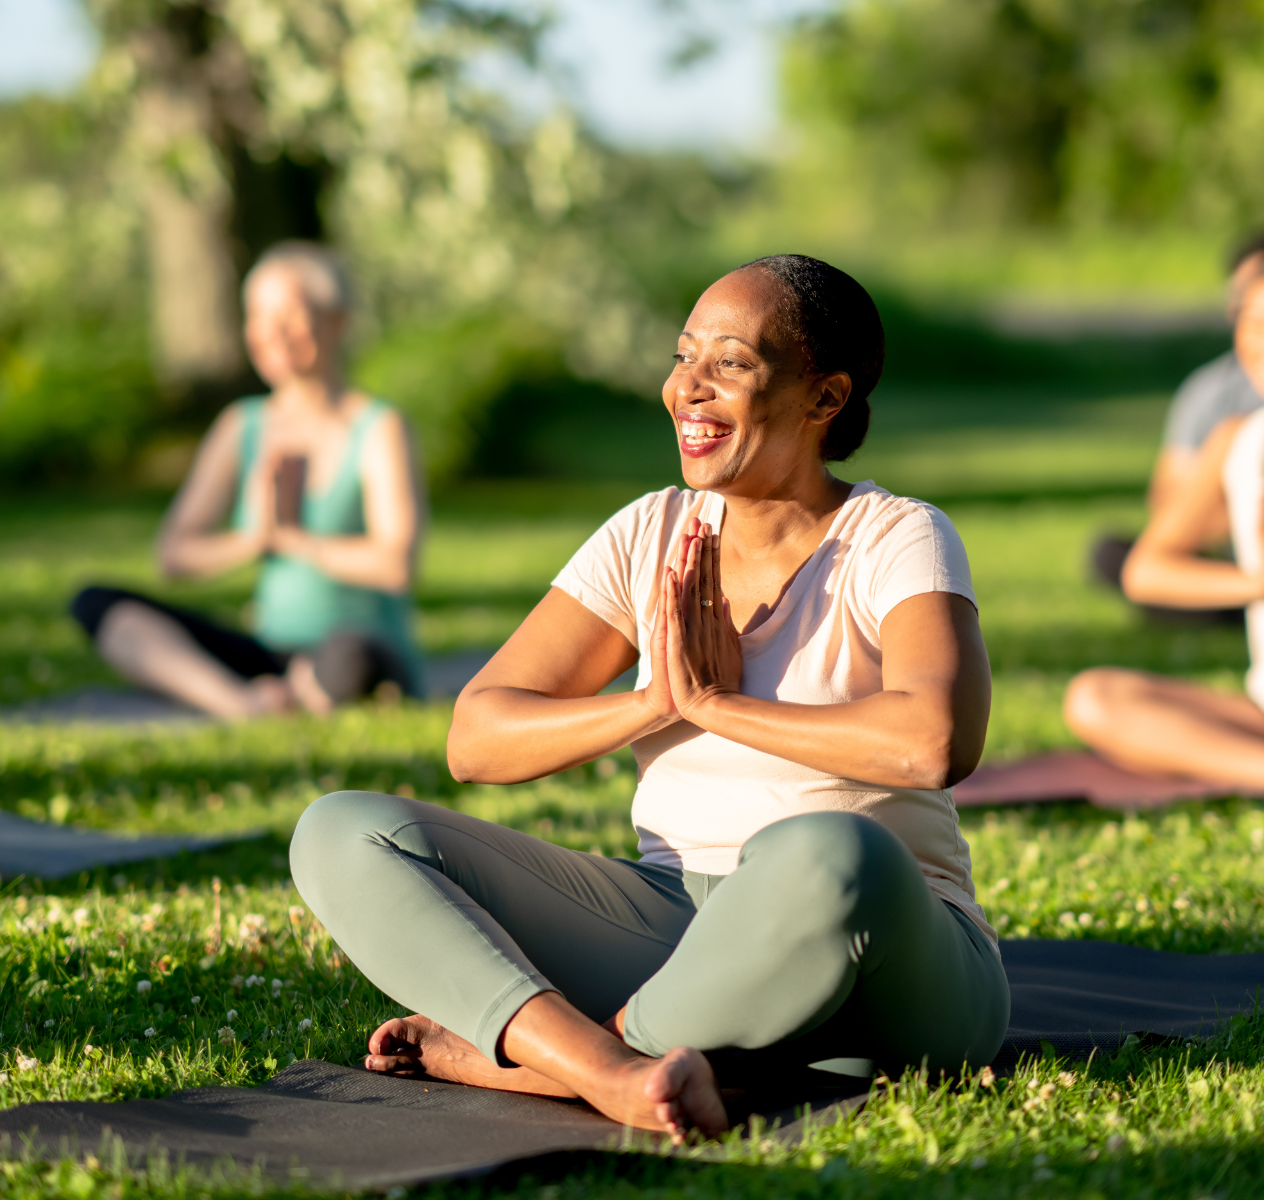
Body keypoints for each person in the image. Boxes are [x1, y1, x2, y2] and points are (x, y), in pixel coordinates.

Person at [289, 256, 1008, 1139]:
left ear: (824, 399)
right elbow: (477, 738)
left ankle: (548, 1063)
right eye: (682, 357)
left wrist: (716, 705)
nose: (687, 389)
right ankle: (610, 1071)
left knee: (831, 851)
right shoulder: (650, 531)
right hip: (673, 922)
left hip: (887, 955)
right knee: (343, 830)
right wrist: (654, 703)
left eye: (731, 363)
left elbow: (934, 740)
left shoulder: (895, 536)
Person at [70, 243, 425, 719]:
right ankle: (242, 702)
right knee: (101, 606)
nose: (272, 333)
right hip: (270, 651)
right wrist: (255, 539)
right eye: (257, 316)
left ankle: (309, 690)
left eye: (290, 316)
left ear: (337, 322)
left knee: (350, 658)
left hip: (357, 647)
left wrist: (300, 541)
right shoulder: (242, 426)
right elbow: (174, 555)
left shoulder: (378, 428)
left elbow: (396, 564)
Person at [1065, 272, 1264, 788]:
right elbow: (1147, 571)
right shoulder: (1237, 440)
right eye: (1253, 323)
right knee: (1095, 697)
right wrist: (1256, 582)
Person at [1090, 235, 1264, 615]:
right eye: (1252, 322)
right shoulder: (1233, 427)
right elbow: (1147, 566)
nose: (1260, 341)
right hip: (1227, 567)